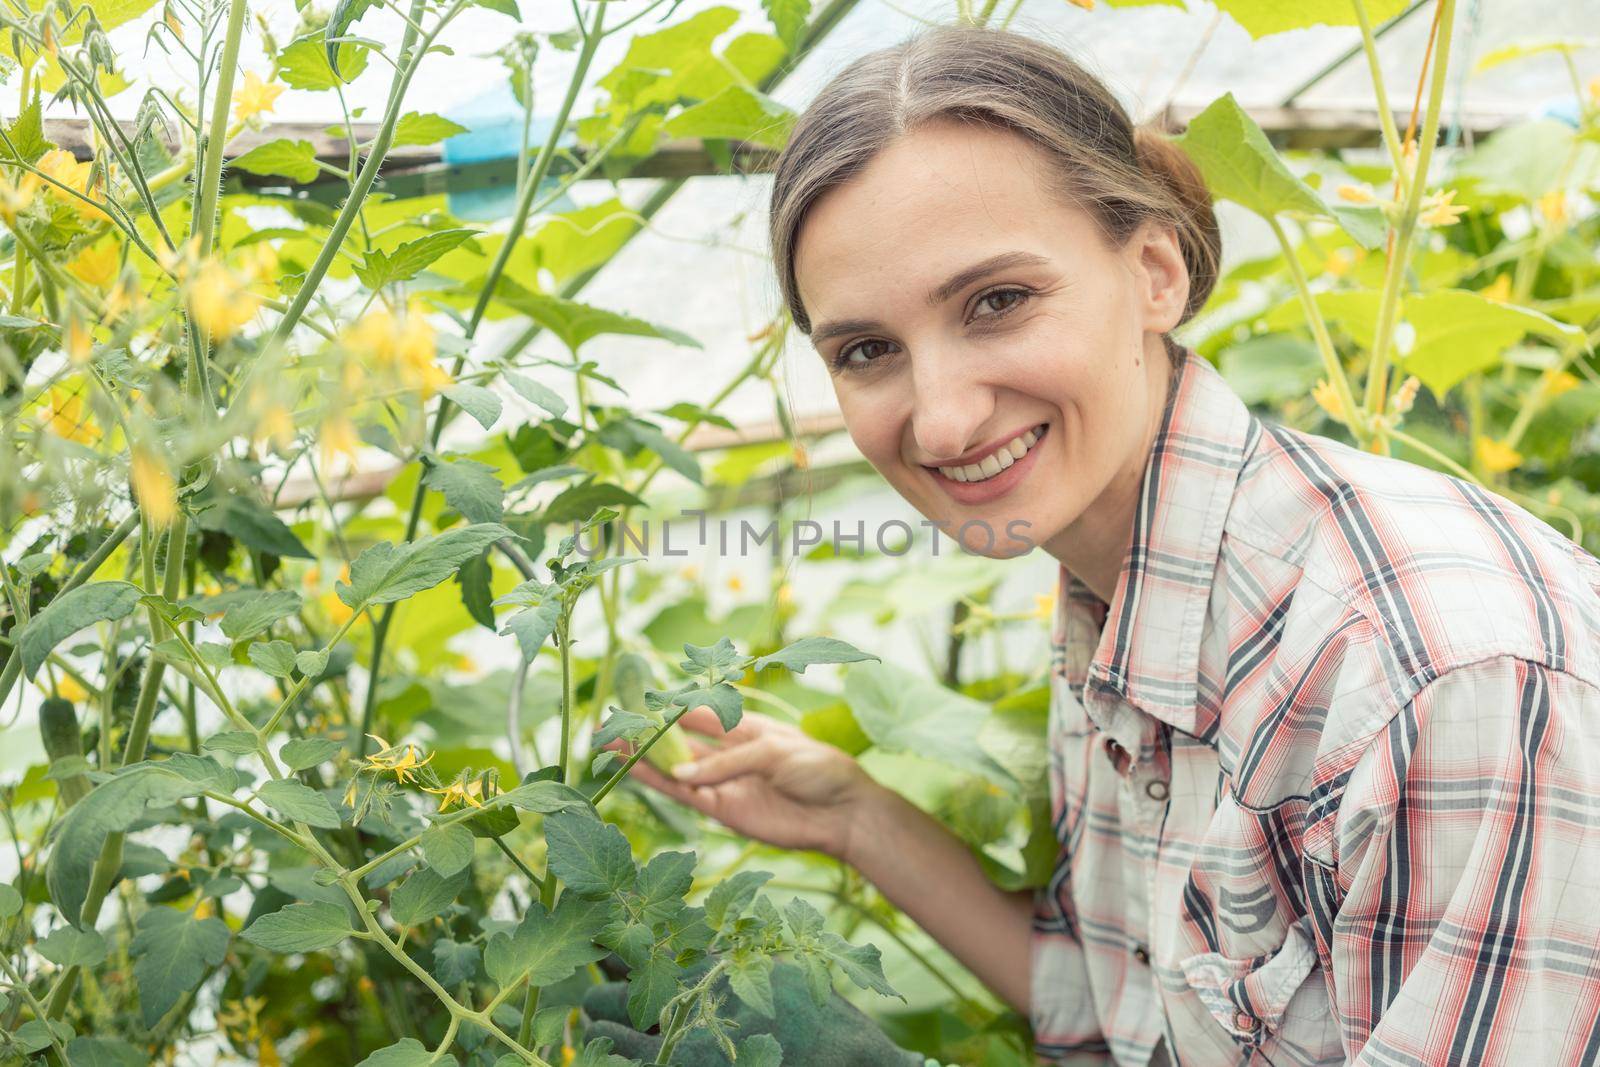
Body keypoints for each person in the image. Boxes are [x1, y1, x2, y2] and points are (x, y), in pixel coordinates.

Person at [599, 21, 1600, 1067]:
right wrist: (859, 817)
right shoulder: (1118, 585)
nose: (939, 419)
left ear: (1155, 272)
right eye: (866, 350)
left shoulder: (1437, 679)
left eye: (998, 301)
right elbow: (1117, 1006)